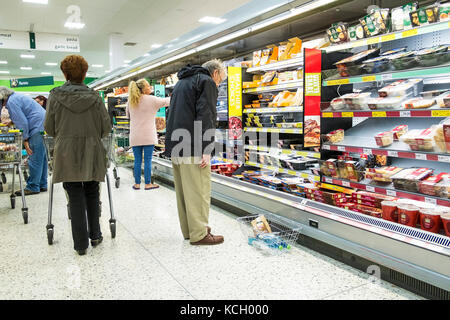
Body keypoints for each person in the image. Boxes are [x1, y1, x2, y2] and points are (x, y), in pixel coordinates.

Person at [44, 55, 112, 256]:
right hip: (92, 149)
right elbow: (105, 127)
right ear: (84, 74)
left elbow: (49, 128)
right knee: (92, 190)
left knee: (74, 194)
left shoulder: (55, 97)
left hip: (66, 151)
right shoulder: (95, 97)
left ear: (64, 74)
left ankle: (80, 244)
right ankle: (96, 235)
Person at [165, 59, 227, 246]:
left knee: (184, 192)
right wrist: (206, 149)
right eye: (220, 81)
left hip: (177, 143)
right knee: (199, 190)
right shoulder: (206, 82)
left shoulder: (181, 82)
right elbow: (206, 115)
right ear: (215, 73)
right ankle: (199, 234)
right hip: (193, 145)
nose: (218, 84)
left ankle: (190, 230)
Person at [0, 87, 47, 196]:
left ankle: (33, 186)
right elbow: (25, 114)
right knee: (41, 156)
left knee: (33, 155)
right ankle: (42, 184)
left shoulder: (11, 102)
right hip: (42, 124)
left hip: (35, 126)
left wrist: (25, 139)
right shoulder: (17, 96)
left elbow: (23, 123)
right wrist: (12, 121)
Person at [126, 79, 170, 191]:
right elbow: (167, 101)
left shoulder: (130, 101)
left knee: (137, 160)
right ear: (143, 89)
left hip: (135, 135)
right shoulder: (152, 100)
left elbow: (128, 117)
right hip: (148, 135)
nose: (150, 86)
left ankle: (136, 184)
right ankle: (147, 184)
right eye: (148, 86)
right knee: (148, 160)